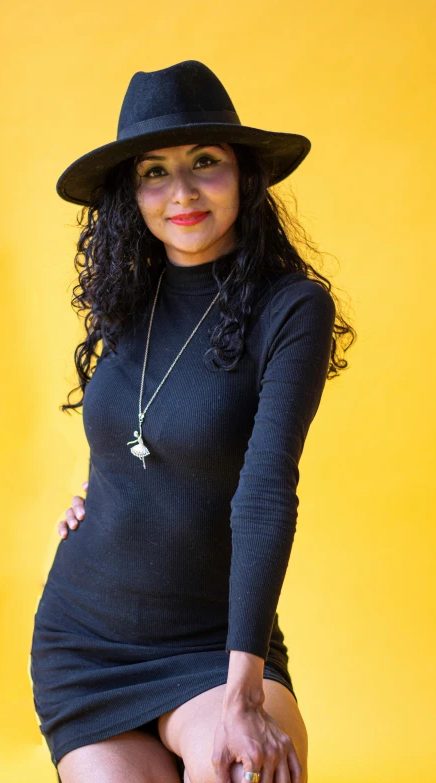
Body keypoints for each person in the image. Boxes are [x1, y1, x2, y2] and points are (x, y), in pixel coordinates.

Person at [29, 60, 355, 783]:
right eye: (155, 171)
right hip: (86, 645)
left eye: (204, 162)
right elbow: (135, 432)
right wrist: (103, 494)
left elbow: (266, 488)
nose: (181, 192)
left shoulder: (291, 309)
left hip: (214, 646)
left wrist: (243, 691)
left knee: (249, 769)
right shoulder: (125, 297)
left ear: (244, 175)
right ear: (131, 192)